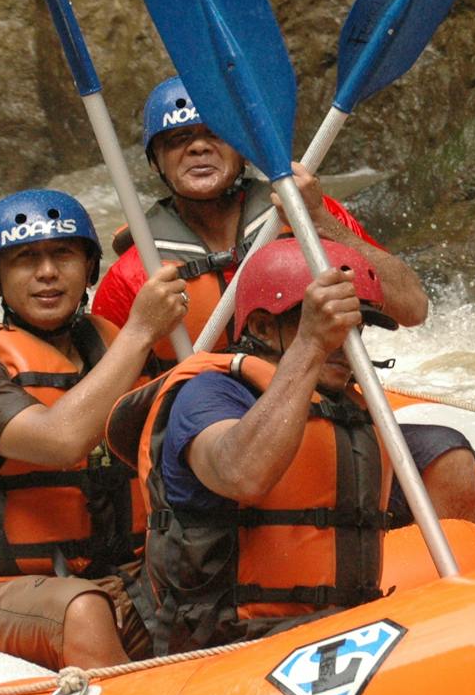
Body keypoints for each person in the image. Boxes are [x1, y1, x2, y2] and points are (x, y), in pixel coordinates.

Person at [94, 75, 475, 526]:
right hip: (215, 433)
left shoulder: (303, 213)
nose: (197, 148)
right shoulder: (134, 276)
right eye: (178, 139)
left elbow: (412, 307)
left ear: (241, 149)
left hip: (329, 414)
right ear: (156, 160)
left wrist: (319, 220)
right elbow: (110, 412)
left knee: (446, 454)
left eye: (214, 134)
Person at [0, 190, 187, 669]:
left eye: (63, 255)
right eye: (26, 259)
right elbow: (60, 440)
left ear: (89, 270)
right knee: (83, 610)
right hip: (4, 597)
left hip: (129, 577)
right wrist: (140, 332)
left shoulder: (118, 351)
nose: (47, 272)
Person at [114, 238, 406, 654]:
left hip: (337, 633)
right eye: (326, 324)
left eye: (354, 327)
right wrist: (310, 346)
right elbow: (241, 474)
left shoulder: (349, 409)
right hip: (230, 647)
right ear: (263, 327)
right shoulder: (207, 393)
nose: (345, 341)